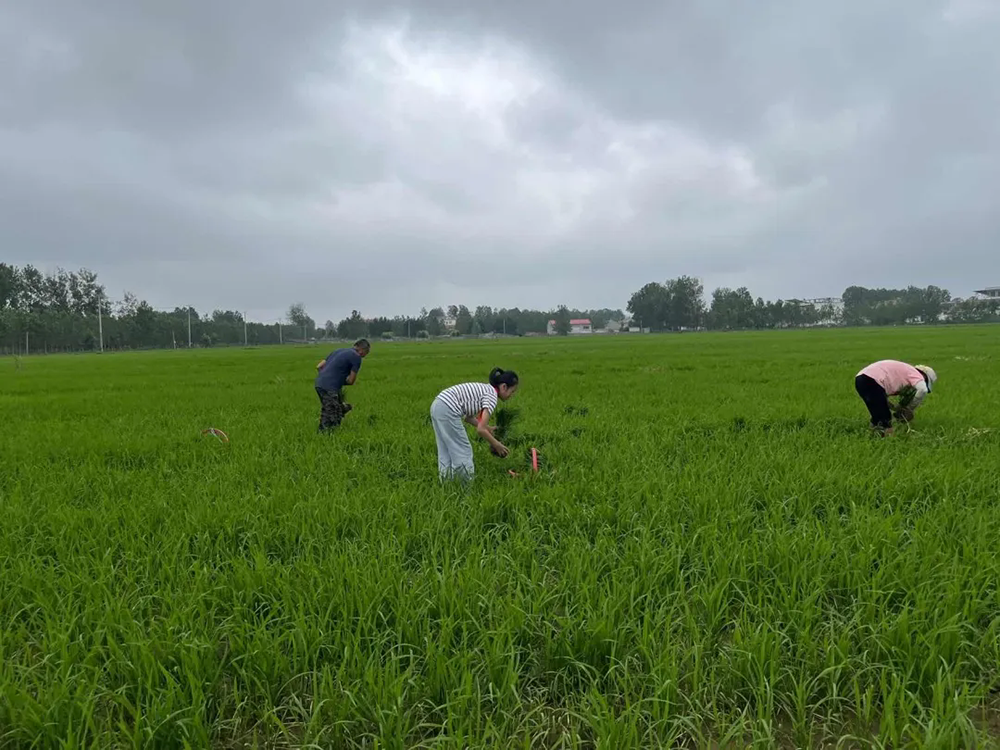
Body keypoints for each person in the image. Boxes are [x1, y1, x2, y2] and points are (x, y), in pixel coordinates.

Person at [430, 367, 519, 481]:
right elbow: (480, 430)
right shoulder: (492, 396)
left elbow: (468, 418)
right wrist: (497, 445)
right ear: (504, 387)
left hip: (438, 404)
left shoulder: (486, 389)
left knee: (445, 449)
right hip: (448, 408)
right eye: (512, 392)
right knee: (463, 450)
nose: (512, 395)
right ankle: (463, 486)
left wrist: (488, 427)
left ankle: (447, 484)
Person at [855, 360, 937, 435]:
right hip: (872, 380)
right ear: (924, 376)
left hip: (860, 379)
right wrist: (909, 408)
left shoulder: (904, 371)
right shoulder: (916, 373)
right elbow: (923, 389)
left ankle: (871, 435)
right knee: (886, 419)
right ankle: (888, 440)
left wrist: (896, 408)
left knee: (877, 415)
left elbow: (882, 400)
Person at [314, 339, 370, 432]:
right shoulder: (356, 357)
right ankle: (323, 434)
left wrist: (326, 376)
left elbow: (319, 366)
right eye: (366, 352)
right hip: (330, 387)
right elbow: (351, 380)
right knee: (330, 415)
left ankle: (343, 409)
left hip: (319, 383)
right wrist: (339, 380)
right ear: (361, 350)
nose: (365, 355)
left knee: (335, 409)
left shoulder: (338, 351)